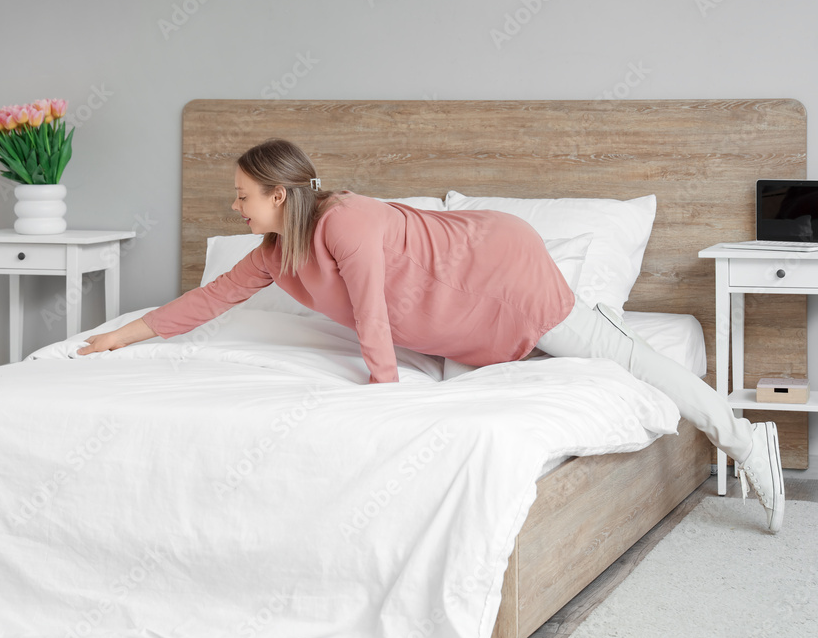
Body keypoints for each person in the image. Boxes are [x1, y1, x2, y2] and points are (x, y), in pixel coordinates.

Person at [77, 138, 785, 533]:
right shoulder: (271, 257)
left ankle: (747, 442)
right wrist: (124, 336)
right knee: (477, 373)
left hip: (501, 269)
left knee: (623, 357)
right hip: (453, 320)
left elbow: (374, 314)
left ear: (281, 195)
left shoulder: (343, 222)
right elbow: (208, 299)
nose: (233, 205)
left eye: (241, 195)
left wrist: (384, 398)